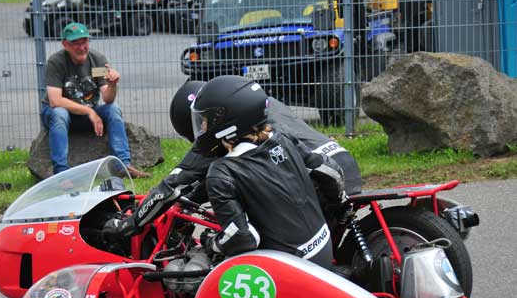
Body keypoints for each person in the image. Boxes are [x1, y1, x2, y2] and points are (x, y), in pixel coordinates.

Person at [104, 78, 358, 238]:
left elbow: (174, 183)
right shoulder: (258, 107)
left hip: (319, 183)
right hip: (338, 163)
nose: (200, 131)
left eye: (201, 123)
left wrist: (132, 222)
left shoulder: (231, 127)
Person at [193, 75, 345, 268]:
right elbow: (330, 172)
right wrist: (333, 207)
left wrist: (212, 243)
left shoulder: (222, 171)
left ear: (227, 121)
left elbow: (243, 238)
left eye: (206, 120)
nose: (203, 127)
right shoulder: (282, 138)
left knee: (209, 278)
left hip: (289, 271)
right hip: (323, 248)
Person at [40, 22, 150, 178]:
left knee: (113, 109)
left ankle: (123, 166)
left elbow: (107, 98)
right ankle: (61, 174)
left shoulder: (97, 60)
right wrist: (89, 111)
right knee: (59, 113)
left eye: (84, 42)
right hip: (60, 114)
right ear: (65, 44)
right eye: (75, 44)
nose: (81, 47)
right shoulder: (56, 62)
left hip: (87, 113)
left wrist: (112, 85)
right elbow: (55, 100)